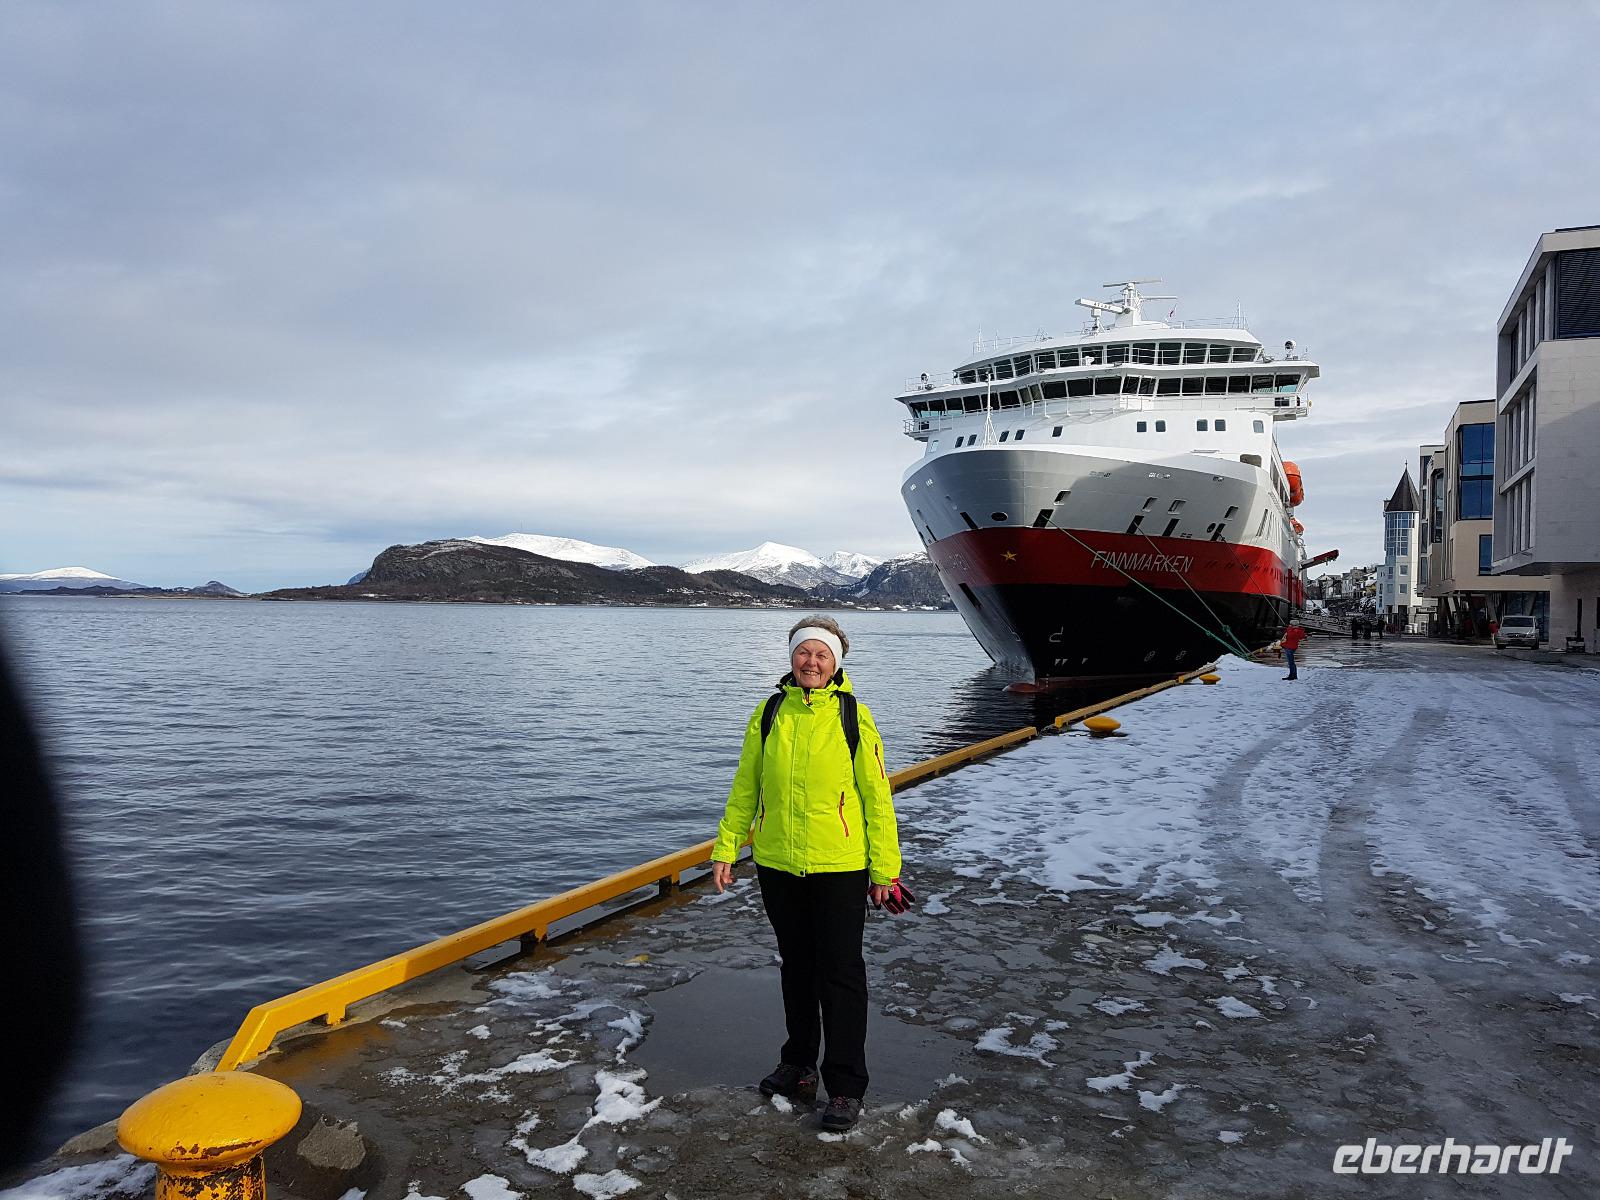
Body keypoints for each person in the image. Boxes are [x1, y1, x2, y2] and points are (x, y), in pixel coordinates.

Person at [710, 616, 905, 1133]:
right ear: (791, 658)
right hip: (777, 862)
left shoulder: (853, 716)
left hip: (839, 865)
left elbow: (877, 798)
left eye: (821, 654)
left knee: (840, 973)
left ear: (835, 662)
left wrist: (885, 870)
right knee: (796, 967)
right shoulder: (770, 713)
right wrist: (726, 847)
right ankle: (798, 1065)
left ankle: (845, 1086)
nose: (811, 662)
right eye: (803, 652)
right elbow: (745, 786)